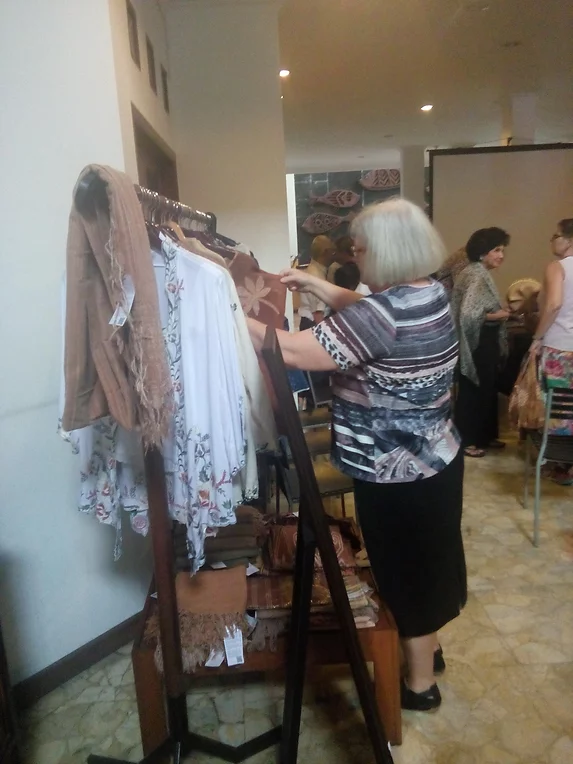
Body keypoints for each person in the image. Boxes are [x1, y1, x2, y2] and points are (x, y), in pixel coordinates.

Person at [247, 199, 466, 712]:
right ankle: (428, 654)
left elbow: (293, 350)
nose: (354, 256)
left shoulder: (380, 314)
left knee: (404, 572)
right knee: (429, 562)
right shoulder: (430, 292)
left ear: (387, 252)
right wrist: (320, 287)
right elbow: (372, 313)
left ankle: (419, 687)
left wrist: (227, 314)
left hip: (394, 470)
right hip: (436, 458)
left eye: (360, 249)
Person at [451, 227, 511, 458]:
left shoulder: (476, 271)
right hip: (479, 342)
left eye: (502, 250)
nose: (501, 255)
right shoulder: (475, 274)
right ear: (482, 252)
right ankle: (468, 440)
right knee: (473, 390)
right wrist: (500, 315)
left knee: (486, 389)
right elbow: (469, 314)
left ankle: (484, 436)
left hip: (483, 341)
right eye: (497, 250)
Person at [530, 219, 573, 483]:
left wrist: (537, 337)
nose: (552, 240)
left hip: (561, 348)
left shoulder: (558, 267)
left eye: (555, 235)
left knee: (557, 408)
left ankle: (558, 461)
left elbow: (554, 304)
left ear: (569, 240)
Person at [298, 235, 336, 330]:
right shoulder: (316, 276)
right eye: (333, 251)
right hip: (314, 323)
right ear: (325, 252)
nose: (334, 255)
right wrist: (325, 332)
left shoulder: (318, 270)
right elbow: (318, 313)